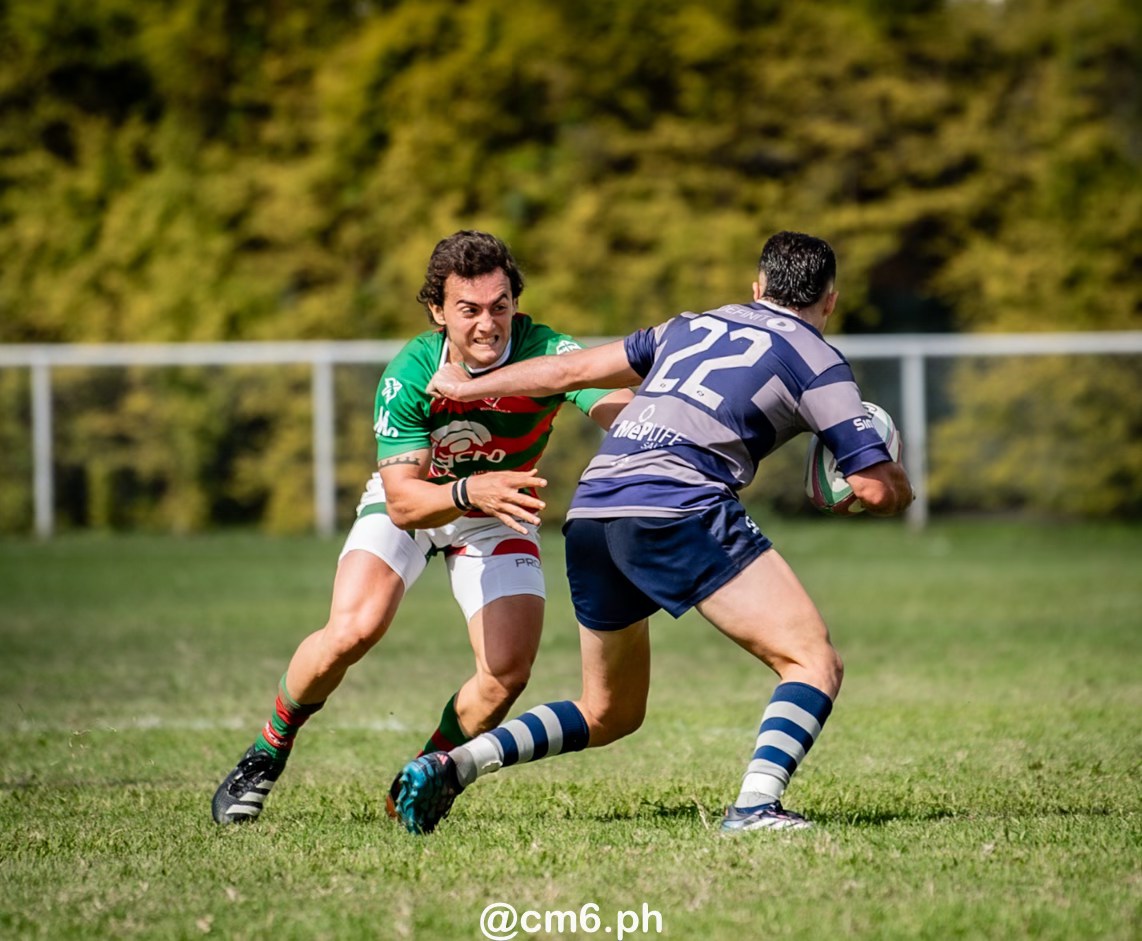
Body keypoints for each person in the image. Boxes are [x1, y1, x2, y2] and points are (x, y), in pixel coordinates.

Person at [395, 230, 913, 834]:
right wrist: (895, 481)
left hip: (594, 506)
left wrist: (466, 386)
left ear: (758, 289)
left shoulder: (691, 325)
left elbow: (569, 369)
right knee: (812, 660)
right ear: (830, 302)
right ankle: (754, 808)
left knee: (608, 711)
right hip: (678, 501)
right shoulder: (818, 359)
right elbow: (875, 488)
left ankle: (453, 764)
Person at [211, 230, 631, 824]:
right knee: (354, 628)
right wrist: (467, 489)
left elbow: (613, 405)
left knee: (505, 674)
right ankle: (267, 751)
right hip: (417, 500)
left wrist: (659, 426)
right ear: (438, 311)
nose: (488, 324)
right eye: (469, 310)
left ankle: (419, 778)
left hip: (494, 513)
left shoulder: (546, 351)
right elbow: (405, 503)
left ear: (516, 302)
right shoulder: (409, 371)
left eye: (500, 306)